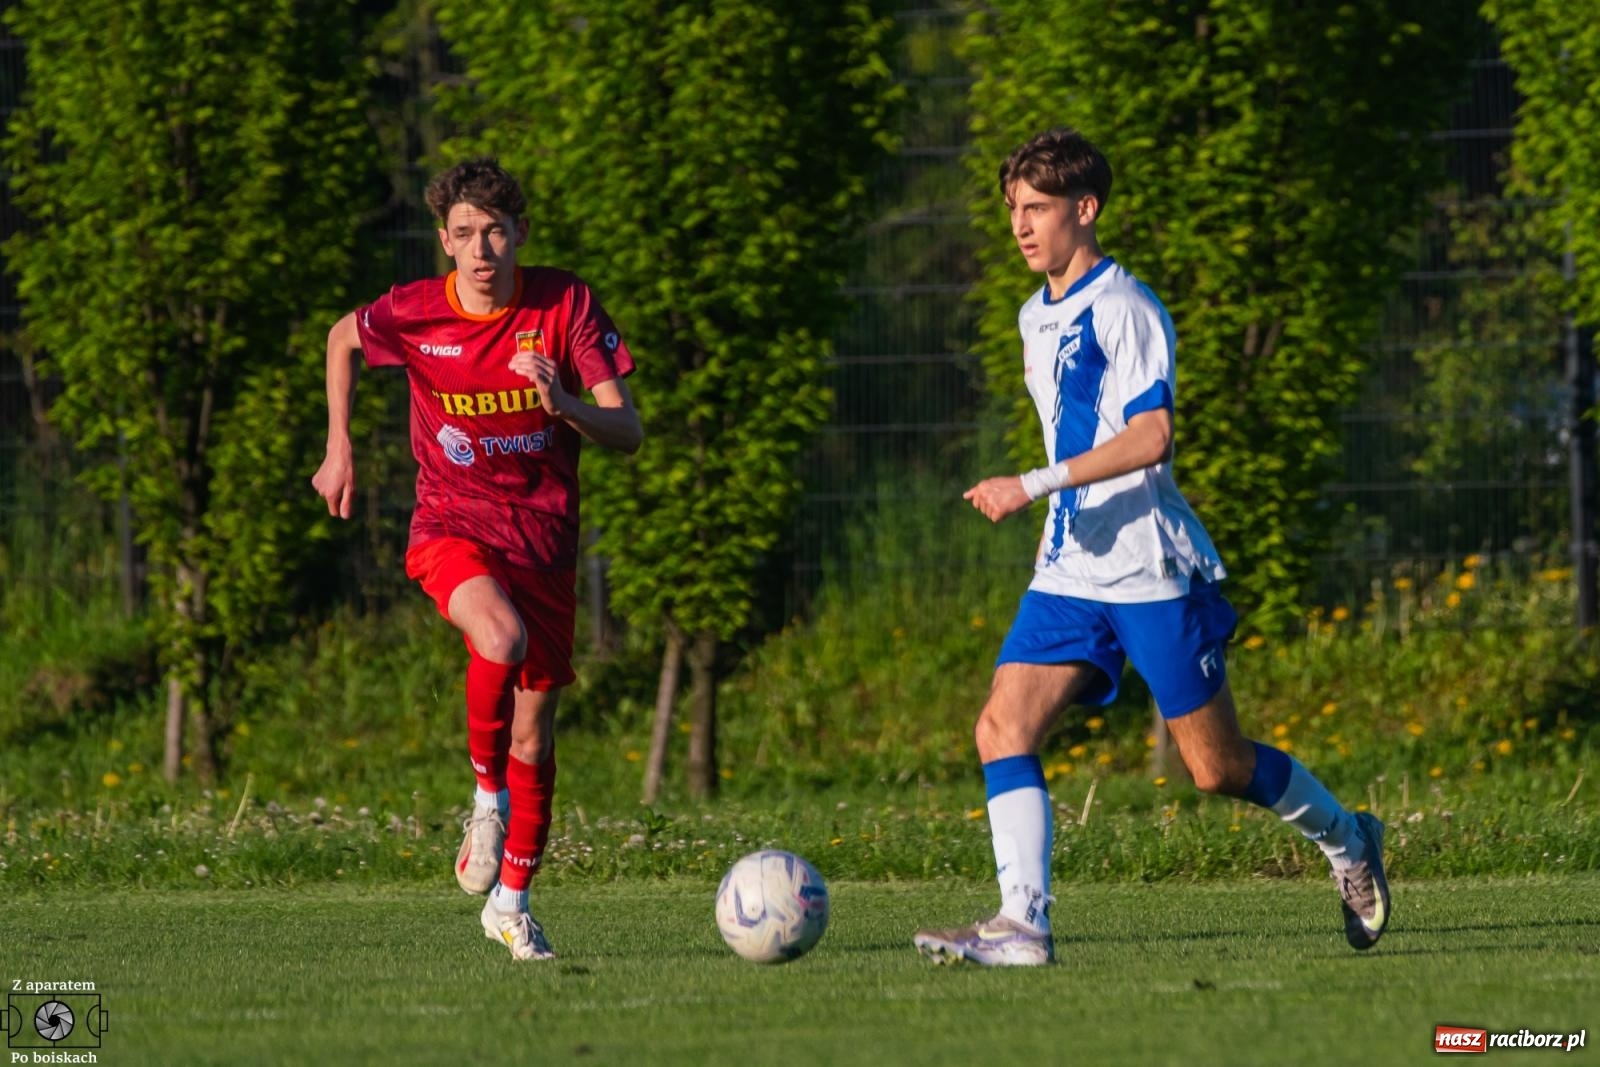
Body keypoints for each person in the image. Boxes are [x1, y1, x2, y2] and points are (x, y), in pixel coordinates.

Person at [912, 128, 1389, 967]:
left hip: (1146, 567)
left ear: (1084, 209)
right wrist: (1055, 503)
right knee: (1000, 727)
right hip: (1067, 569)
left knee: (1217, 766)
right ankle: (1023, 924)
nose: (1021, 226)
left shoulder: (1126, 307)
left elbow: (1152, 436)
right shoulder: (1033, 314)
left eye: (1038, 208)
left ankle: (1349, 841)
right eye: (1014, 210)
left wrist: (1032, 482)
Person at [312, 158, 642, 961]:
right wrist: (339, 444)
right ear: (444, 242)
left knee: (535, 735)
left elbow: (627, 430)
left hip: (544, 539)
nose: (482, 248)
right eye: (465, 233)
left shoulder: (564, 305)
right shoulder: (418, 312)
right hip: (451, 524)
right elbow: (341, 337)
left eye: (495, 230)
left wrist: (563, 405)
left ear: (520, 233)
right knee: (498, 638)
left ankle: (511, 905)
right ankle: (483, 796)